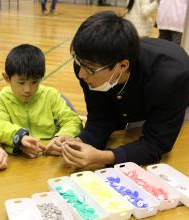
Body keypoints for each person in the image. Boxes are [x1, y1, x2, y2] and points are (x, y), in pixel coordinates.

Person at [52, 11, 189, 168]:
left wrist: (104, 157)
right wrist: (80, 142)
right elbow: (101, 117)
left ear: (122, 66)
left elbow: (157, 143)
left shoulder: (171, 76)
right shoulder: (86, 65)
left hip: (176, 105)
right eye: (80, 63)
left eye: (89, 69)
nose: (82, 74)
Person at [0, 44, 83, 158]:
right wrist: (18, 143)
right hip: (18, 160)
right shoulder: (0, 100)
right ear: (7, 78)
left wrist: (59, 138)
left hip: (51, 157)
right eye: (21, 83)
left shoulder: (51, 95)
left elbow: (73, 121)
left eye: (34, 82)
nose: (28, 90)